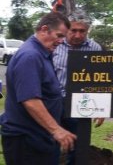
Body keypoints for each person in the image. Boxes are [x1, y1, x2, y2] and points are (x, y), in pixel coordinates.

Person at [0, 11, 76, 165]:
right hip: (27, 141)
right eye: (59, 35)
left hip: (39, 138)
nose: (62, 41)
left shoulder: (42, 54)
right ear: (44, 29)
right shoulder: (30, 56)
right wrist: (56, 130)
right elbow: (30, 100)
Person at [53, 9, 104, 165]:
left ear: (87, 31)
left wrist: (101, 108)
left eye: (82, 31)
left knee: (78, 145)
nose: (77, 35)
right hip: (54, 102)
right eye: (73, 30)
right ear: (67, 29)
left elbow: (101, 79)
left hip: (80, 104)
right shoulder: (55, 45)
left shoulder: (95, 49)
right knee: (50, 144)